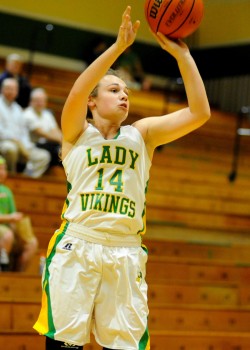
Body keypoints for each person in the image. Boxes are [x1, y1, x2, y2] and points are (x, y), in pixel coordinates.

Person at [34, 6, 210, 350]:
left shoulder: (142, 134)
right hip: (78, 246)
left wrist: (183, 56)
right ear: (92, 103)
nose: (124, 94)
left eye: (126, 90)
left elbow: (199, 112)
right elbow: (74, 93)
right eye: (114, 90)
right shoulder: (75, 134)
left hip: (126, 252)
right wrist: (116, 48)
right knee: (64, 345)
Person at [0, 78, 51, 177]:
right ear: (2, 89)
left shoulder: (18, 109)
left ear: (17, 92)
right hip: (4, 142)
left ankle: (26, 178)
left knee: (43, 156)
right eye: (8, 88)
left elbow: (23, 132)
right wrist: (15, 140)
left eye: (13, 89)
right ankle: (10, 177)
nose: (11, 92)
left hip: (21, 144)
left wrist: (26, 146)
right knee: (11, 149)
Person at [0, 156, 38, 271]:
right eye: (0, 169)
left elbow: (13, 214)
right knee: (8, 235)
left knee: (32, 243)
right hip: (3, 230)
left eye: (4, 169)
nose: (2, 172)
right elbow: (11, 216)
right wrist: (10, 218)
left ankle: (19, 274)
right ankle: (3, 268)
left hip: (7, 227)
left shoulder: (7, 191)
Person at [23, 87, 62, 167]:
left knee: (63, 151)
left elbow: (55, 130)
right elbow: (42, 133)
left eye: (42, 101)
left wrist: (64, 140)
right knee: (57, 153)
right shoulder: (27, 114)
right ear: (31, 101)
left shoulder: (47, 114)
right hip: (32, 146)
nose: (40, 103)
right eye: (37, 101)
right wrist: (62, 140)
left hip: (48, 145)